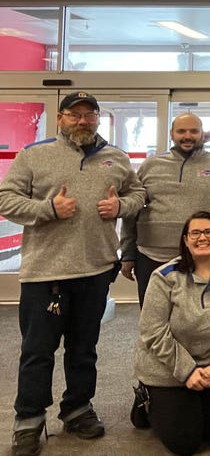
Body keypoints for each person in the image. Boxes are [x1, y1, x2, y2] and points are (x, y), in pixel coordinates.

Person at [0, 91, 145, 455]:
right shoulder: (35, 154)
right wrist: (49, 207)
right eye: (74, 114)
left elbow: (139, 194)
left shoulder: (116, 157)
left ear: (98, 119)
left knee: (84, 349)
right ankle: (29, 420)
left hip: (96, 270)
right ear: (61, 118)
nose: (82, 121)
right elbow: (5, 200)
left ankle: (77, 408)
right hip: (45, 274)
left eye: (89, 115)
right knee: (37, 351)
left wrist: (120, 205)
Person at [133, 211, 210, 455]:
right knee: (184, 443)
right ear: (185, 240)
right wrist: (187, 371)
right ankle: (145, 401)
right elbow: (153, 331)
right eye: (195, 233)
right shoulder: (164, 277)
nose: (202, 238)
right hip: (166, 367)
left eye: (209, 231)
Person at [121, 113, 210, 307]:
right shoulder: (150, 165)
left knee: (199, 320)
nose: (187, 136)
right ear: (172, 134)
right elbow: (133, 211)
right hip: (152, 257)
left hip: (204, 257)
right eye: (181, 131)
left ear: (202, 134)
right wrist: (128, 253)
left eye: (194, 131)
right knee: (153, 318)